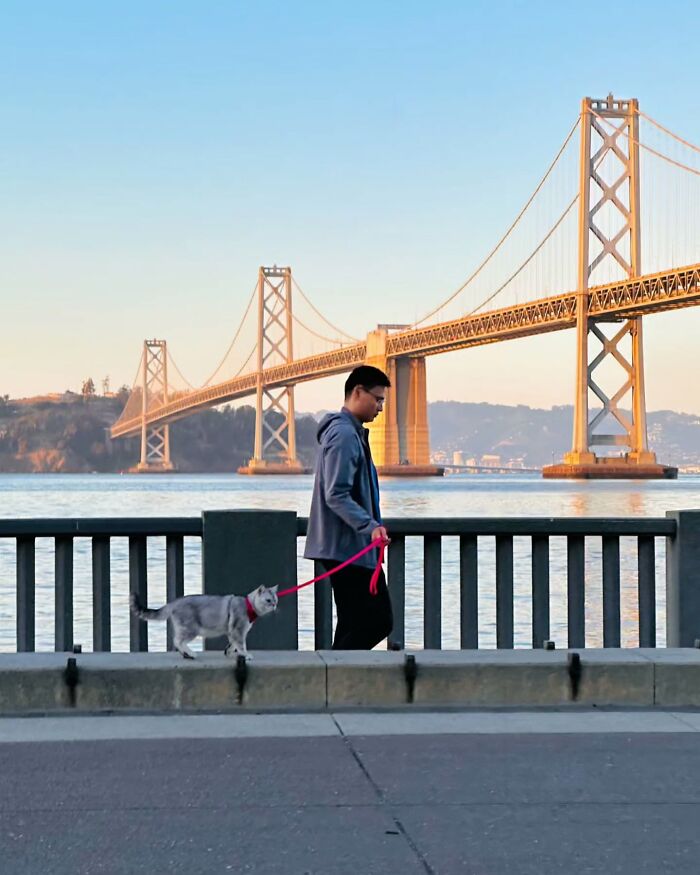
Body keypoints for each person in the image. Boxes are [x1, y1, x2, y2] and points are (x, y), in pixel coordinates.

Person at [304, 365, 393, 649]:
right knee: (377, 620)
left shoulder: (350, 433)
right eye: (377, 399)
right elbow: (336, 493)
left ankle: (336, 681)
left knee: (353, 622)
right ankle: (335, 678)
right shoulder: (343, 435)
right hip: (347, 547)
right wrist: (370, 527)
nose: (380, 407)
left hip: (347, 546)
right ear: (357, 392)